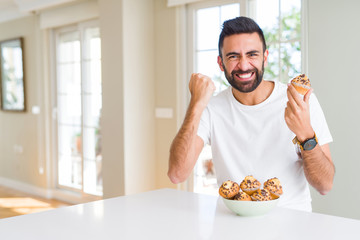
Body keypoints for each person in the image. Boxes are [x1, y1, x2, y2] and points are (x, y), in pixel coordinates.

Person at [167, 16, 335, 212]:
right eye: (233, 56)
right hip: (231, 222)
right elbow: (177, 174)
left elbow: (325, 186)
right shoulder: (211, 108)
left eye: (252, 54)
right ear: (221, 63)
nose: (244, 65)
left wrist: (306, 135)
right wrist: (196, 104)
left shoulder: (300, 102)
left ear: (265, 57)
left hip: (291, 223)